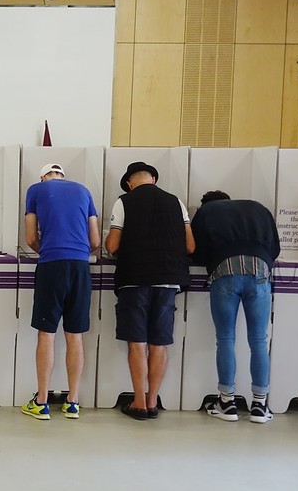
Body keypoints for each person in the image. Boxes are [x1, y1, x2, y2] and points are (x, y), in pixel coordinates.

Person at [105, 161, 194, 421]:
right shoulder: (176, 202)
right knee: (159, 343)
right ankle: (153, 400)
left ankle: (139, 402)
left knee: (137, 343)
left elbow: (111, 245)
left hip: (134, 280)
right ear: (153, 179)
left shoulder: (124, 202)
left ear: (130, 182)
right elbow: (190, 245)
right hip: (168, 280)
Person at [190, 191, 280, 424]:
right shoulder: (258, 206)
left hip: (224, 273)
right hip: (260, 272)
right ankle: (260, 405)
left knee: (226, 339)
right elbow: (275, 248)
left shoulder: (206, 212)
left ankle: (227, 402)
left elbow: (195, 251)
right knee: (259, 340)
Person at [20, 164, 100, 421]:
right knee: (74, 335)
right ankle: (73, 402)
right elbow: (95, 240)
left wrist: (48, 249)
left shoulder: (36, 189)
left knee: (47, 333)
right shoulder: (84, 191)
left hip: (51, 265)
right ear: (64, 176)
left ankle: (42, 402)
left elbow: (30, 237)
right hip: (80, 266)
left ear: (43, 176)